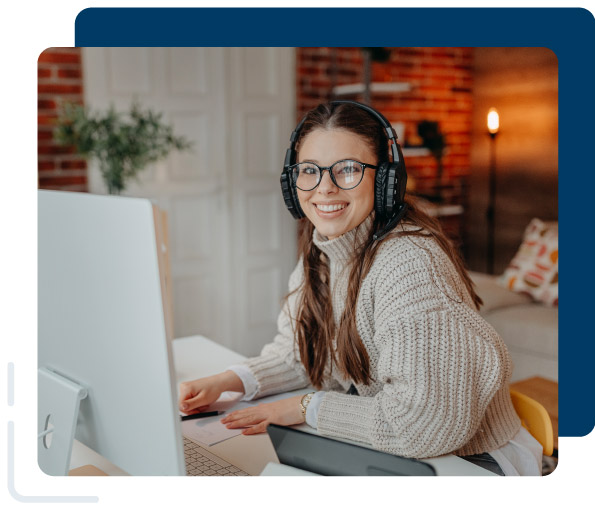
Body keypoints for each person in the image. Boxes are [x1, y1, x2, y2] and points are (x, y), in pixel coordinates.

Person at [179, 101, 542, 476]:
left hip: (471, 463)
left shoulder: (409, 263)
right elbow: (301, 355)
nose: (325, 188)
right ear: (293, 182)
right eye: (309, 171)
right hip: (398, 451)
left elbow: (424, 424)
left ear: (385, 181)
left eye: (348, 169)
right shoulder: (323, 252)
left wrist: (307, 408)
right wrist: (229, 382)